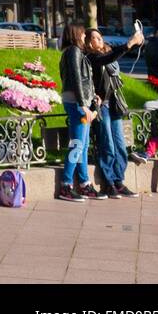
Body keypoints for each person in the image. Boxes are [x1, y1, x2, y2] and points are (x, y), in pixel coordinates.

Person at [83, 26, 144, 198]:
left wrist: (134, 43)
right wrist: (130, 43)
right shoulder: (92, 58)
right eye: (94, 37)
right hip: (102, 106)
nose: (99, 39)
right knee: (107, 144)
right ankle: (108, 182)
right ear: (88, 42)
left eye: (100, 36)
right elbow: (109, 56)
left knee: (120, 145)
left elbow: (112, 56)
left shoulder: (108, 59)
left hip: (114, 104)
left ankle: (119, 181)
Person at [58, 23, 101, 201]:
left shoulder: (73, 52)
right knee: (77, 144)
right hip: (76, 103)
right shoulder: (73, 51)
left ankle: (84, 183)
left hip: (79, 101)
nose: (85, 37)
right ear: (76, 34)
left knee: (82, 146)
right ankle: (66, 185)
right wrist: (83, 104)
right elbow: (76, 77)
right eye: (83, 34)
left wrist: (92, 96)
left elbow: (83, 79)